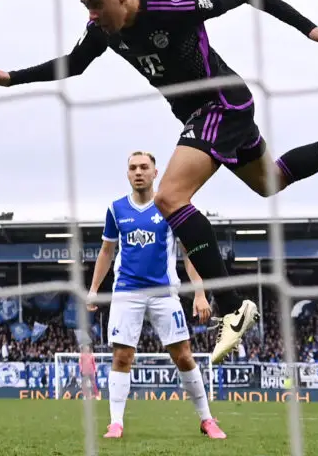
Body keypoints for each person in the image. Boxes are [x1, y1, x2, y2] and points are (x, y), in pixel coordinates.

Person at [0, 0, 318, 364]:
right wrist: (12, 79)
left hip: (220, 103)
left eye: (95, 3)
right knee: (271, 181)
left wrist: (309, 29)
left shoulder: (171, 6)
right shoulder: (103, 32)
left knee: (169, 197)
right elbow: (73, 65)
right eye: (85, 7)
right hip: (204, 116)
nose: (91, 15)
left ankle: (233, 307)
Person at [86, 151, 225, 439]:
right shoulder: (116, 209)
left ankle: (207, 420)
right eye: (133, 168)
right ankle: (116, 423)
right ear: (127, 174)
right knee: (122, 356)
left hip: (164, 293)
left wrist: (200, 293)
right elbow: (106, 251)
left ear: (155, 172)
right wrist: (93, 289)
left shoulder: (169, 206)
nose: (138, 172)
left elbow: (189, 253)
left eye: (144, 167)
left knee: (184, 356)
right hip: (126, 292)